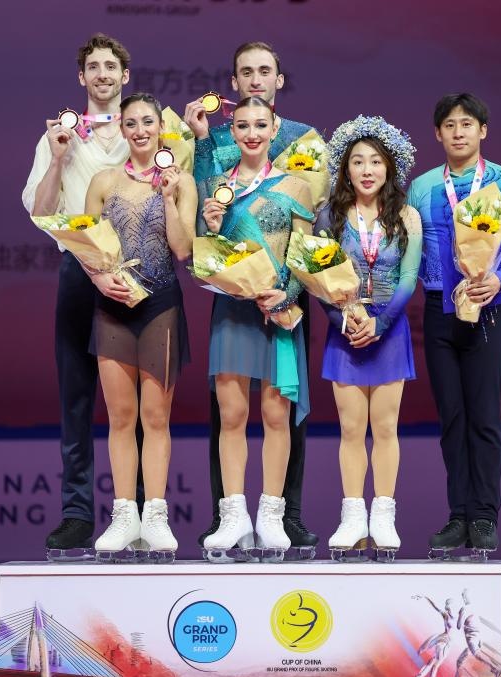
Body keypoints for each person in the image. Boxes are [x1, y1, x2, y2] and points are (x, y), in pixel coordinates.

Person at [184, 42, 322, 557]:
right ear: (233, 129)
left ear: (274, 129)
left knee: (277, 415)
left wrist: (285, 293)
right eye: (242, 126)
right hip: (233, 311)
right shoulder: (217, 185)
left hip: (280, 311)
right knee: (231, 415)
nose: (251, 133)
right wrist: (209, 226)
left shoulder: (297, 185)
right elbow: (205, 252)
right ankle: (232, 518)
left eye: (260, 126)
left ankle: (273, 517)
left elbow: (306, 253)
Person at [407, 93, 501, 559]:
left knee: (484, 416)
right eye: (449, 125)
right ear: (437, 134)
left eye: (467, 124)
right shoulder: (422, 187)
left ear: (483, 130)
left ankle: (485, 516)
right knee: (452, 418)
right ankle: (458, 517)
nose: (458, 132)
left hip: (489, 309)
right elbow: (408, 249)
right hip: (438, 310)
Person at [22, 33, 135, 560]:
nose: (103, 74)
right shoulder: (58, 137)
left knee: (133, 404)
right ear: (81, 77)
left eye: (111, 66)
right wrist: (57, 160)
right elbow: (41, 212)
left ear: (125, 76)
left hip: (133, 275)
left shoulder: (144, 131)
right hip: (79, 271)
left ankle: (135, 511)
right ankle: (76, 514)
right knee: (76, 398)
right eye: (94, 67)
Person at [82, 93, 196, 561]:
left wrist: (168, 198)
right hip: (113, 308)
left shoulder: (182, 181)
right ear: (122, 130)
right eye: (131, 123)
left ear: (160, 128)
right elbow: (86, 245)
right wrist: (100, 280)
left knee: (155, 418)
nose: (140, 130)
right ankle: (124, 515)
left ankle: (156, 517)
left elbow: (184, 251)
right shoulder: (103, 181)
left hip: (160, 308)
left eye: (148, 121)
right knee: (120, 417)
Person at [313, 117, 420, 562]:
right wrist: (344, 320)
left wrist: (382, 322)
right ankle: (353, 516)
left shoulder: (406, 216)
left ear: (389, 167)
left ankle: (385, 516)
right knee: (351, 429)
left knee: (386, 427)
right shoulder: (329, 216)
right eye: (357, 162)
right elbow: (318, 277)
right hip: (346, 330)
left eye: (375, 161)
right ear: (345, 169)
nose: (367, 170)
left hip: (389, 330)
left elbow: (409, 278)